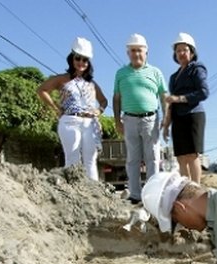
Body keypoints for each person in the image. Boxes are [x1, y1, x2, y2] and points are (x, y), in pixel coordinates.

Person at [37, 37, 108, 181]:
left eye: (85, 60)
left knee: (90, 160)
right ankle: (73, 193)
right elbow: (42, 90)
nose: (81, 62)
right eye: (78, 58)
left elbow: (103, 100)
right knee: (72, 158)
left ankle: (93, 193)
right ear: (72, 59)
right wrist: (56, 108)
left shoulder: (91, 83)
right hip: (70, 120)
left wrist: (99, 110)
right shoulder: (62, 79)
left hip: (90, 123)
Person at [113, 33, 168, 204]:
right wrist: (116, 120)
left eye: (139, 50)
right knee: (132, 159)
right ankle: (135, 195)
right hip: (129, 120)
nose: (136, 54)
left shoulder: (155, 72)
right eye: (133, 50)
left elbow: (163, 95)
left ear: (146, 52)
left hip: (151, 119)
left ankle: (153, 194)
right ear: (128, 53)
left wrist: (166, 118)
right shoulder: (121, 73)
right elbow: (116, 98)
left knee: (152, 157)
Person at [162, 33, 209, 185]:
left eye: (184, 50)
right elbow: (171, 103)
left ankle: (196, 188)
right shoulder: (173, 77)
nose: (181, 53)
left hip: (193, 115)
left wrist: (180, 98)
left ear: (192, 52)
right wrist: (166, 124)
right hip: (178, 117)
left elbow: (204, 92)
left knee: (192, 155)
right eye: (178, 51)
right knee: (181, 157)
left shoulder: (197, 69)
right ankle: (186, 189)